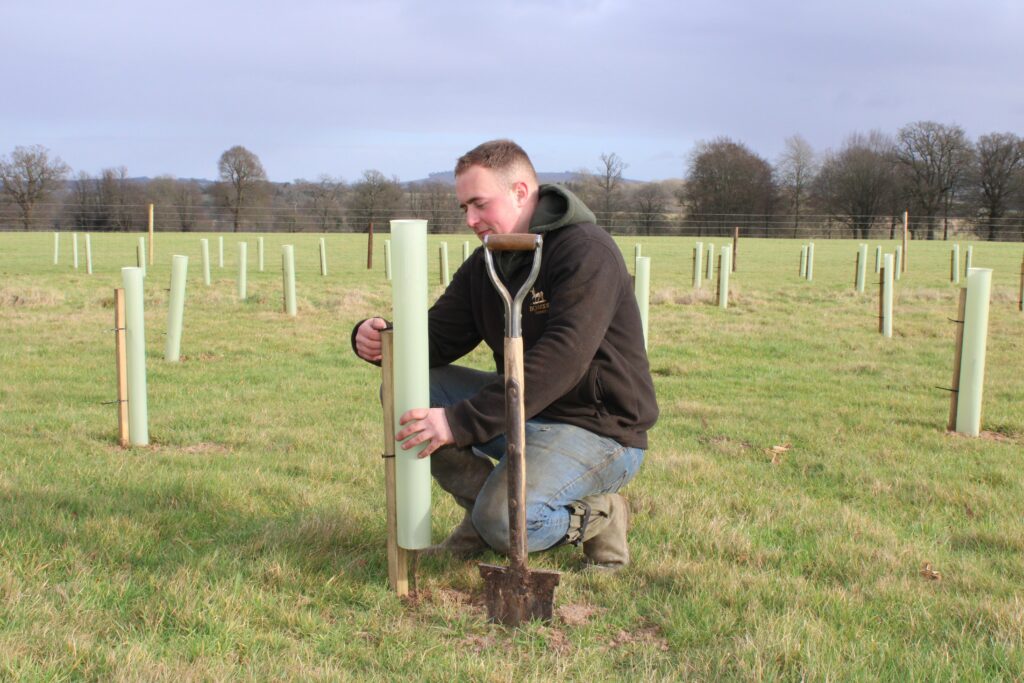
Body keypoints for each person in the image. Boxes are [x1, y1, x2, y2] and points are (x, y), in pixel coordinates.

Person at [352, 139, 658, 569]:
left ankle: (601, 515)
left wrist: (458, 422)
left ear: (519, 192)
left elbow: (561, 361)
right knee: (410, 386)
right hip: (526, 412)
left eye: (479, 204)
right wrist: (383, 339)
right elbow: (438, 337)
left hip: (599, 430)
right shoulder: (488, 263)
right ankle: (486, 517)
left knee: (507, 523)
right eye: (464, 209)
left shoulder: (587, 252)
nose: (471, 220)